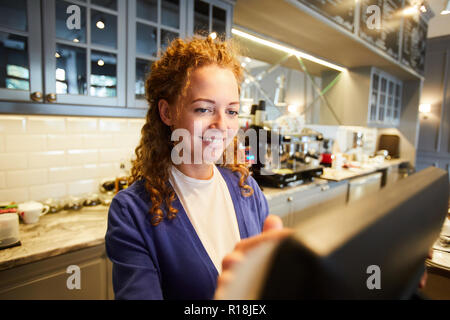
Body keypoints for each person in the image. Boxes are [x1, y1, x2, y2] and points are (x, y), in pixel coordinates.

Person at [104, 35, 291, 300]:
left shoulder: (246, 188)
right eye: (203, 110)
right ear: (167, 113)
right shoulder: (132, 211)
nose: (222, 125)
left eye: (232, 111)